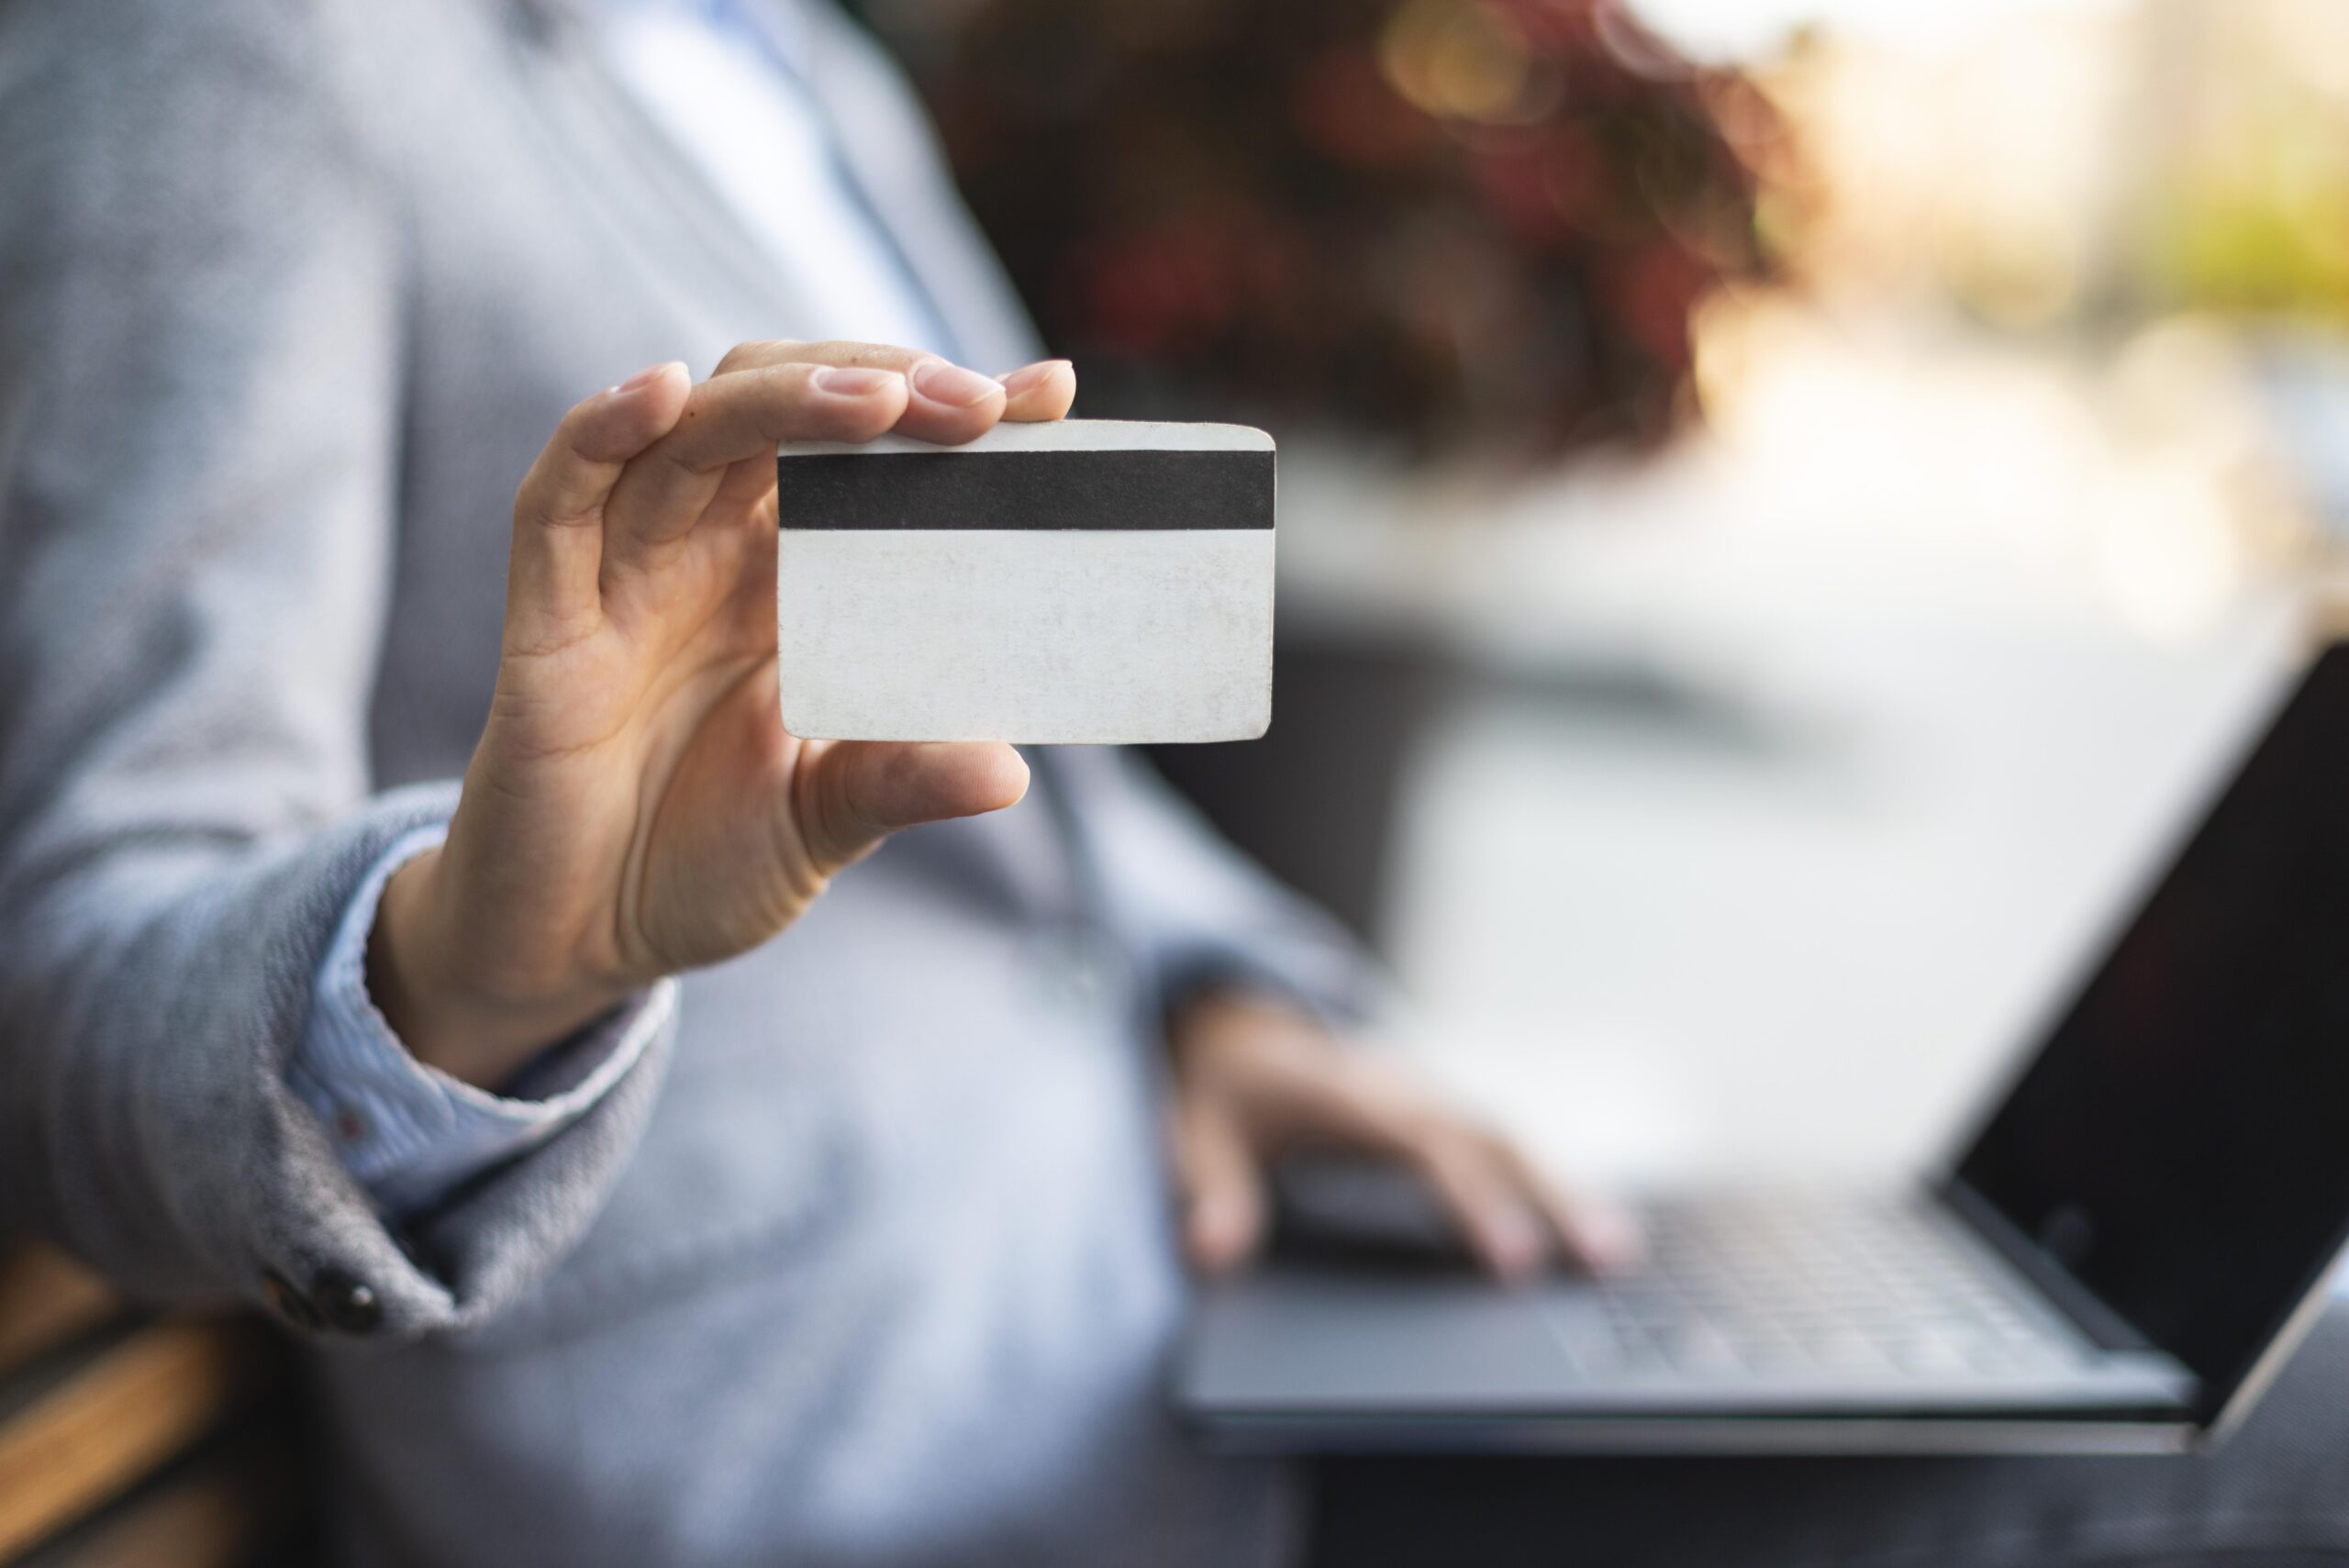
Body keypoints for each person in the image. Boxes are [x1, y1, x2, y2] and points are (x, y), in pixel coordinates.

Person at [0, 2, 2342, 1566]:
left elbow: (1022, 729)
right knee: (2233, 1466)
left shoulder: (763, 43)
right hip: (886, 1454)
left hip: (1180, 1284)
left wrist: (1228, 996)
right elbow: (87, 958)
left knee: (2192, 1404)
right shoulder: (223, 57)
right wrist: (468, 967)